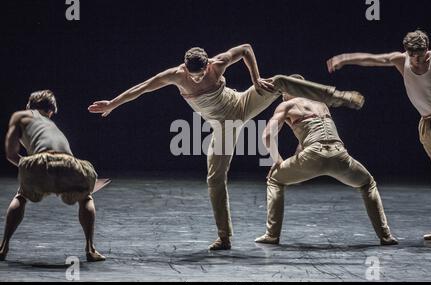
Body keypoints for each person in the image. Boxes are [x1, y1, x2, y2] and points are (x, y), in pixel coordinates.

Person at [89, 44, 365, 250]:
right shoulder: (176, 75)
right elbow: (143, 87)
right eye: (193, 75)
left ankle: (337, 96)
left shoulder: (218, 64)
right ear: (185, 68)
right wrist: (112, 103)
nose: (197, 79)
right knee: (215, 178)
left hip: (241, 104)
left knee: (280, 80)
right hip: (224, 126)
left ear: (208, 64)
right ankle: (224, 237)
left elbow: (246, 49)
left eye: (201, 74)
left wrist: (256, 78)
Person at [327, 30, 431, 240]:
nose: (417, 60)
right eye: (413, 55)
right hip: (429, 124)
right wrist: (345, 58)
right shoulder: (401, 61)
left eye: (420, 55)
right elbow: (372, 60)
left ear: (427, 50)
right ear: (407, 52)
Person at [255, 75, 398, 246]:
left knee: (275, 180)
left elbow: (267, 135)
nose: (282, 95)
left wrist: (277, 161)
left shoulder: (287, 105)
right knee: (367, 184)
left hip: (313, 154)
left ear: (292, 89)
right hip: (339, 154)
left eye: (284, 91)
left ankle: (272, 235)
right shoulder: (321, 104)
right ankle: (386, 236)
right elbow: (307, 140)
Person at [0, 90, 106, 262]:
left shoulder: (19, 116)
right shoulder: (52, 125)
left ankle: (3, 247)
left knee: (22, 195)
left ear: (29, 106)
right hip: (70, 165)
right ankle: (90, 248)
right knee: (86, 198)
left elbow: (11, 155)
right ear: (50, 111)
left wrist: (32, 170)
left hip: (40, 161)